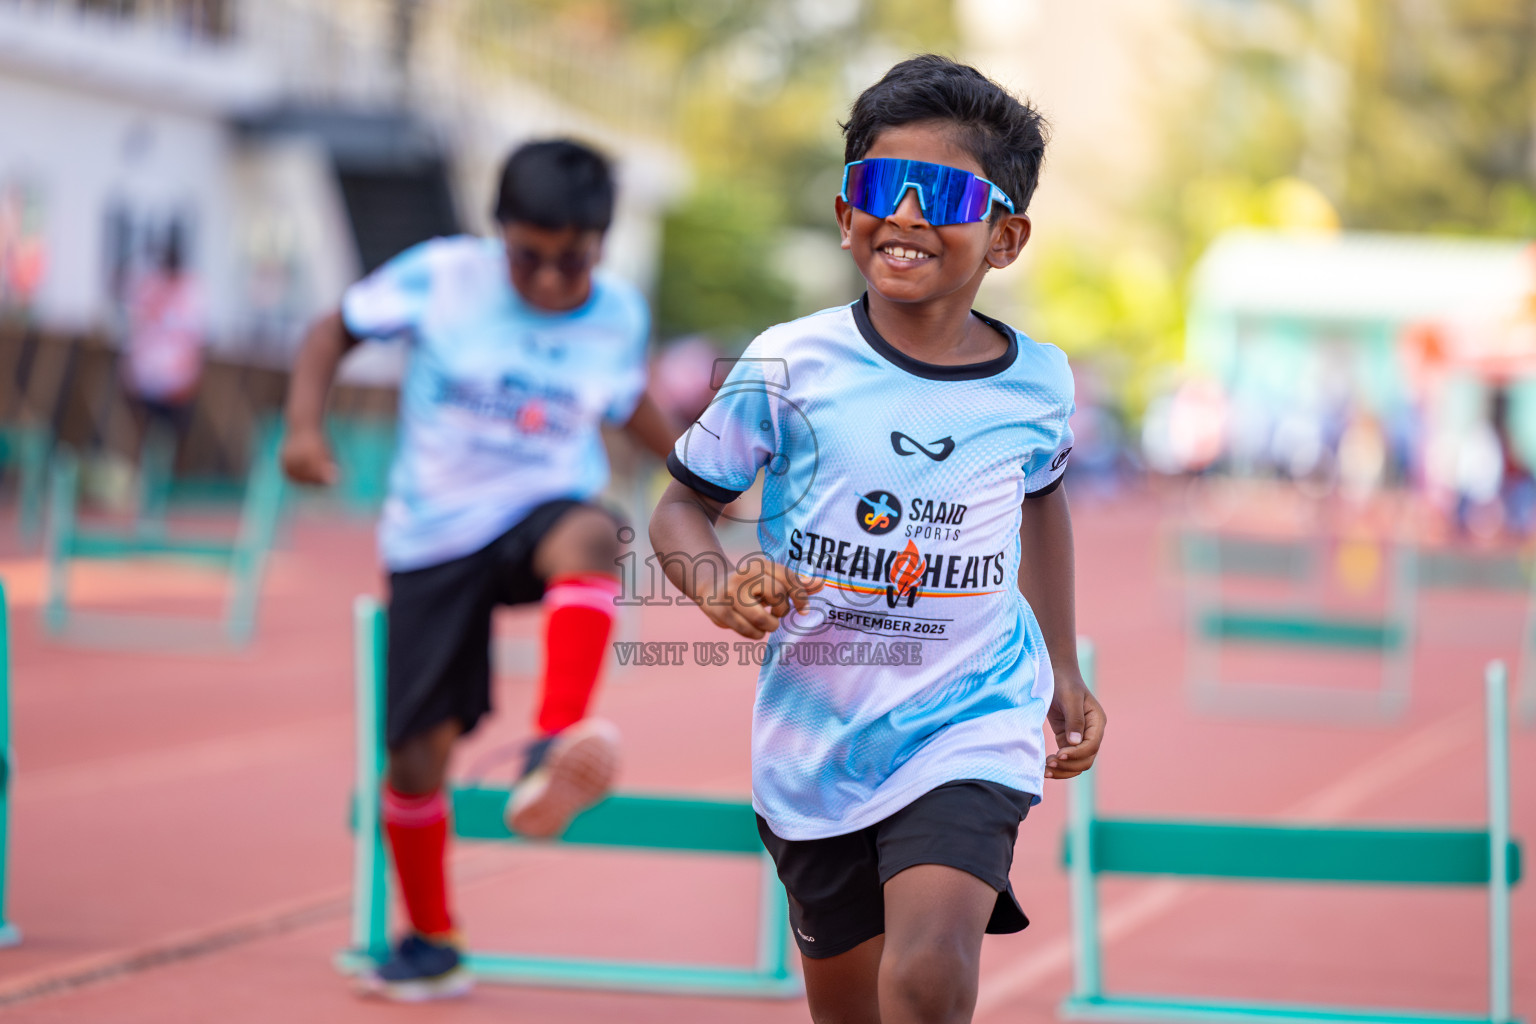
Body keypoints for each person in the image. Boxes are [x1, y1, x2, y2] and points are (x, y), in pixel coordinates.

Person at [650, 56, 1106, 1024]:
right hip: (816, 735)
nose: (901, 213)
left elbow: (1044, 502)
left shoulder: (1040, 384)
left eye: (937, 192)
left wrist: (1061, 664)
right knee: (853, 1008)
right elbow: (679, 505)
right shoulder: (790, 360)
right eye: (874, 187)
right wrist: (716, 585)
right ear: (843, 211)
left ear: (1005, 236)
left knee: (929, 974)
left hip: (970, 716)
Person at [282, 139, 678, 1001]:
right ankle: (432, 938)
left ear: (601, 245)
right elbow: (331, 331)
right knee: (416, 758)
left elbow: (630, 401)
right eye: (527, 258)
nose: (545, 281)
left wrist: (705, 475)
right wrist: (304, 428)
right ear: (498, 232)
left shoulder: (614, 313)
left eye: (569, 263)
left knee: (595, 531)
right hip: (433, 536)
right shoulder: (443, 276)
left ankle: (552, 740)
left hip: (540, 512)